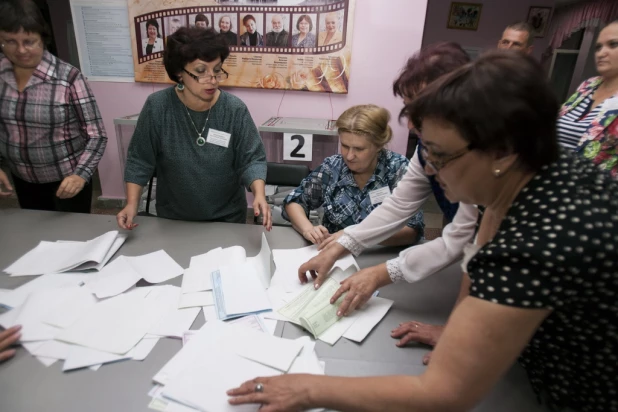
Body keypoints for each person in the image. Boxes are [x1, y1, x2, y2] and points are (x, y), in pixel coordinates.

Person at [228, 50, 618, 412]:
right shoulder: (531, 179)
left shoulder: (537, 239)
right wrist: (459, 328)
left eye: (440, 155)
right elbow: (458, 238)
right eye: (425, 152)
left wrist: (308, 389)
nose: (429, 169)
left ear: (501, 151)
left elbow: (444, 392)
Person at [299, 43, 478, 364]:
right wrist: (341, 247)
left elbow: (465, 239)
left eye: (418, 110)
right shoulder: (428, 148)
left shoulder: (482, 158)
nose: (409, 125)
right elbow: (397, 207)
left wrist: (381, 273)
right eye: (408, 109)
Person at [117, 27, 271, 230]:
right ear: (180, 72)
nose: (212, 79)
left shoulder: (234, 109)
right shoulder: (158, 107)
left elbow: (252, 158)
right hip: (174, 220)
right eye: (201, 71)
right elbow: (140, 159)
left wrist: (259, 194)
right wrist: (131, 204)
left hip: (227, 220)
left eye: (217, 70)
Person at [0, 0, 107, 213]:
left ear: (42, 39)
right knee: (34, 235)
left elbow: (97, 135)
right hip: (22, 179)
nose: (21, 50)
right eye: (10, 41)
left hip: (67, 181)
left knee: (71, 239)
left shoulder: (68, 78)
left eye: (29, 41)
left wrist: (81, 174)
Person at [282, 104, 424, 246]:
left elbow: (412, 231)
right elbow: (294, 202)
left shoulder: (397, 168)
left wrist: (355, 236)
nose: (349, 156)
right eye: (344, 146)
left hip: (380, 256)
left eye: (359, 149)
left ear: (379, 145)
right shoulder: (333, 167)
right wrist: (308, 229)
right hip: (335, 257)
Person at [556, 20, 618, 178]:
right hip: (553, 181)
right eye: (598, 47)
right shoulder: (588, 85)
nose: (601, 53)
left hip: (591, 193)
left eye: (613, 44)